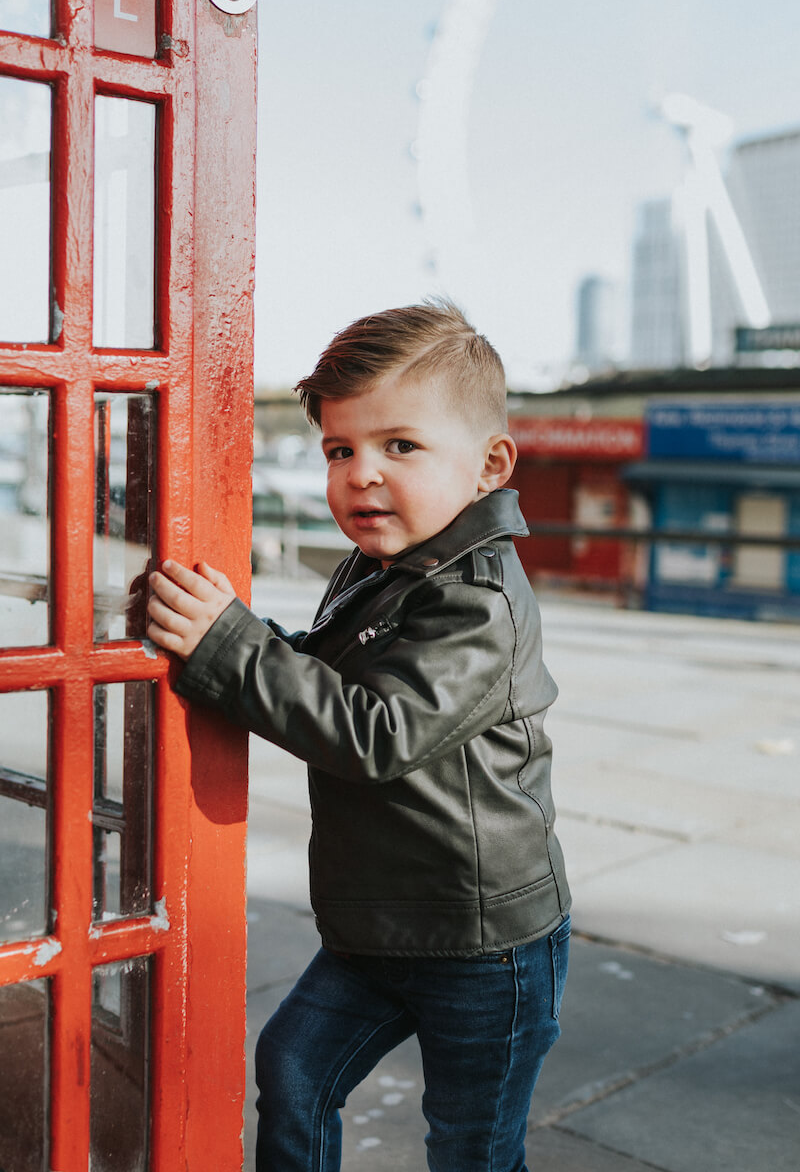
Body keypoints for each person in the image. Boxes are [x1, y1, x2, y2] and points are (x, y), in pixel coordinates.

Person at [146, 300, 571, 1172]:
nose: (361, 475)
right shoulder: (383, 568)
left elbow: (377, 731)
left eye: (399, 446)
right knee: (294, 1069)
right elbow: (326, 668)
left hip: (484, 941)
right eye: (341, 450)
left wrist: (231, 645)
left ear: (490, 465)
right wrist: (231, 639)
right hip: (379, 922)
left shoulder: (474, 599)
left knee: (472, 1146)